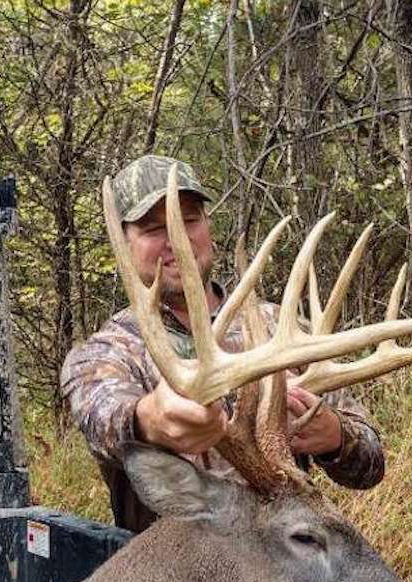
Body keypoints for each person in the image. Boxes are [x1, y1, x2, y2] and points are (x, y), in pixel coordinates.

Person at [60, 155, 384, 532]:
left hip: (287, 569)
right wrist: (150, 420)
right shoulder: (108, 353)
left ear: (208, 227)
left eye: (189, 220)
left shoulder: (279, 327)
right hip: (176, 579)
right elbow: (103, 421)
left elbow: (370, 466)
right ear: (125, 244)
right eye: (153, 228)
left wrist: (335, 436)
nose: (175, 239)